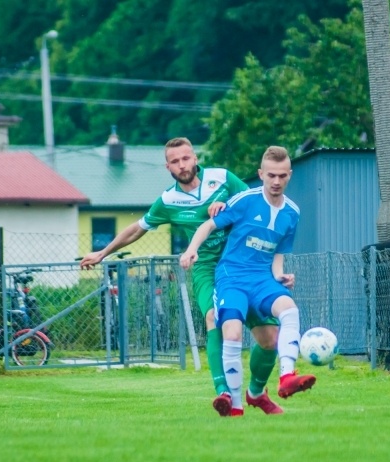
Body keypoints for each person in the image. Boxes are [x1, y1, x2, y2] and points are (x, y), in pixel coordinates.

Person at [80, 137, 284, 416]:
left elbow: (254, 205)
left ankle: (256, 393)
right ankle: (223, 392)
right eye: (175, 161)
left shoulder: (222, 179)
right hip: (207, 267)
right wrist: (103, 252)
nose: (182, 164)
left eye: (186, 158)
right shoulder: (168, 200)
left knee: (270, 338)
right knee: (214, 317)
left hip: (241, 263)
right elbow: (137, 229)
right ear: (168, 167)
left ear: (195, 158)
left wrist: (227, 208)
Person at [180, 146, 316, 414]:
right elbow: (209, 225)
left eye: (281, 176)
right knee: (231, 331)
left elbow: (278, 251)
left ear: (289, 175)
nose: (276, 182)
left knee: (288, 312)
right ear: (261, 174)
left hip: (262, 278)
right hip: (232, 277)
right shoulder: (245, 200)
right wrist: (191, 249)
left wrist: (280, 276)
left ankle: (287, 376)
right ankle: (236, 405)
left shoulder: (293, 213)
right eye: (271, 176)